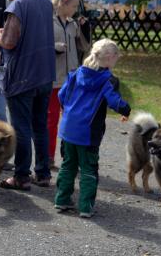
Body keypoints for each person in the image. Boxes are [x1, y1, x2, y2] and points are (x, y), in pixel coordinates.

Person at [0, 0, 55, 190]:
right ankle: (43, 173)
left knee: (21, 128)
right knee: (40, 126)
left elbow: (9, 42)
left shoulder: (18, 5)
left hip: (21, 78)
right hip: (45, 75)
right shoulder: (46, 2)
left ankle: (21, 176)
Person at [54, 39, 131, 218]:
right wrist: (126, 110)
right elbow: (114, 101)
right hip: (88, 132)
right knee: (88, 169)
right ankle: (85, 207)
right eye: (116, 57)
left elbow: (61, 95)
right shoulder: (108, 80)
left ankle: (62, 199)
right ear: (111, 58)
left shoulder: (75, 74)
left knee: (68, 165)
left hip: (68, 129)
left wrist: (69, 112)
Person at [48, 0, 91, 170]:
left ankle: (69, 158)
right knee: (51, 121)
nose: (75, 9)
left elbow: (85, 47)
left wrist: (85, 27)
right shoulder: (46, 22)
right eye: (73, 6)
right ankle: (48, 157)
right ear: (62, 3)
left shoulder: (73, 23)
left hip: (73, 80)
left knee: (73, 120)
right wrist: (53, 46)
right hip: (54, 80)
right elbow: (38, 46)